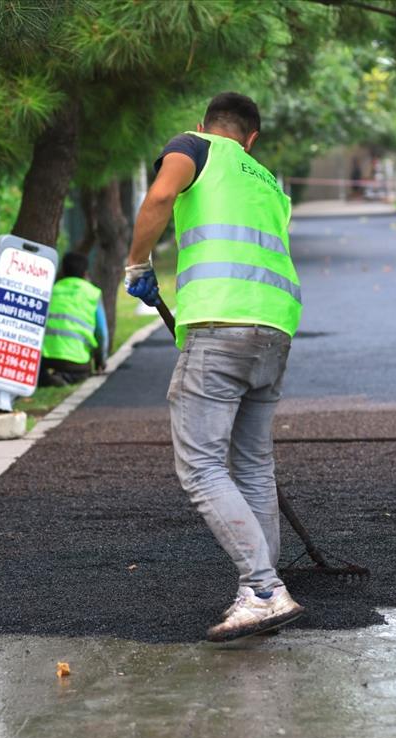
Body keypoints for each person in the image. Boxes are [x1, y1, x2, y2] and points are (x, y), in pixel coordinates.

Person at [123, 92, 304, 643]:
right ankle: (261, 591)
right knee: (252, 468)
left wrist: (137, 262)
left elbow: (159, 197)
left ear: (204, 125)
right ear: (252, 139)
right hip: (274, 330)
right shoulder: (271, 184)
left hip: (219, 329)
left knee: (201, 468)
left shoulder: (192, 146)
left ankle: (265, 591)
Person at [39, 252, 109, 387]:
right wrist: (100, 361)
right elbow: (101, 333)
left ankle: (49, 377)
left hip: (46, 358)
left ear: (63, 271)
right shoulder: (93, 293)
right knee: (82, 372)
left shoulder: (51, 290)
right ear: (85, 273)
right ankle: (64, 377)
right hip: (75, 360)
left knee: (44, 372)